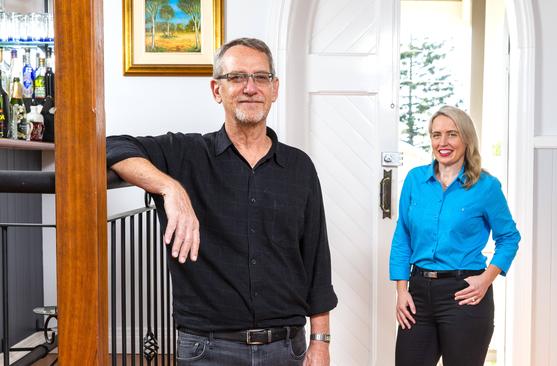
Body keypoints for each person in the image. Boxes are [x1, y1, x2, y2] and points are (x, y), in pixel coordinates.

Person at [106, 38, 337, 366]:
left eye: (260, 77)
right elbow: (111, 146)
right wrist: (170, 188)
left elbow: (316, 260)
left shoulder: (299, 167)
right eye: (237, 77)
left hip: (286, 349)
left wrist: (321, 340)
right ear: (217, 90)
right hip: (208, 350)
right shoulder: (186, 156)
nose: (250, 87)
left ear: (275, 89)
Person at [389, 106, 520, 366]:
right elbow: (402, 236)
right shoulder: (415, 180)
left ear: (467, 139)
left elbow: (509, 237)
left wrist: (486, 280)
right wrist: (401, 291)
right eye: (436, 135)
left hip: (464, 294)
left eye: (452, 134)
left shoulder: (486, 186)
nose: (443, 142)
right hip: (418, 294)